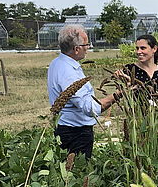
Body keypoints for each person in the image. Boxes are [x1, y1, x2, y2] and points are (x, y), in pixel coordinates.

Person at [47, 24, 120, 157]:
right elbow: (90, 108)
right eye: (86, 45)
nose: (88, 48)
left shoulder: (57, 63)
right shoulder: (69, 73)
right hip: (76, 134)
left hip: (65, 129)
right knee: (78, 174)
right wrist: (118, 95)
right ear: (76, 49)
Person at [119, 34, 158, 101]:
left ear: (154, 49)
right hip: (136, 111)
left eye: (143, 48)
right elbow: (121, 93)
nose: (138, 52)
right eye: (137, 48)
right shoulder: (129, 69)